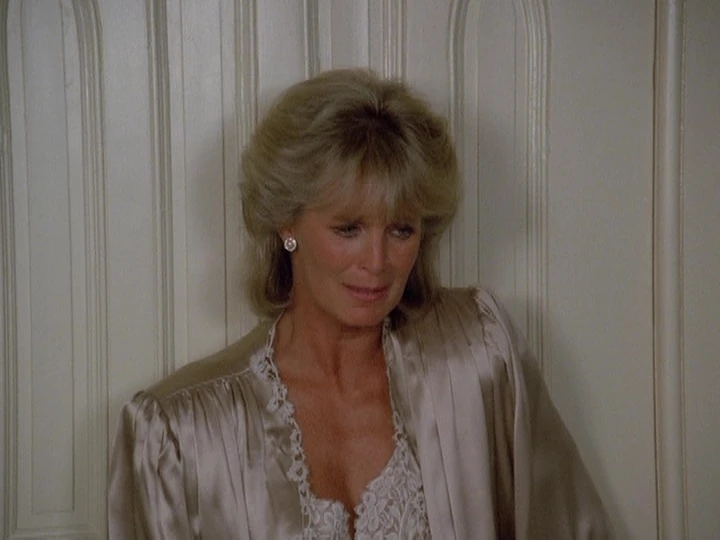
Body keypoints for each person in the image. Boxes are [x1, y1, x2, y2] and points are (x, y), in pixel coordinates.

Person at [108, 68, 611, 539]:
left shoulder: (477, 354)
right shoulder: (177, 432)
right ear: (286, 223)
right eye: (348, 228)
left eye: (401, 230)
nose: (377, 262)